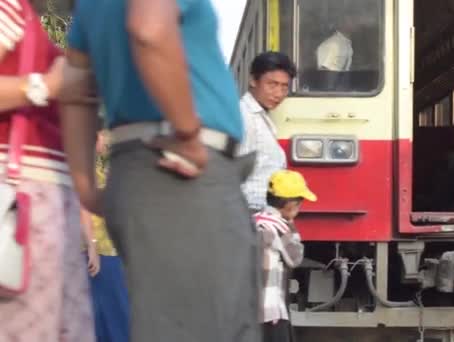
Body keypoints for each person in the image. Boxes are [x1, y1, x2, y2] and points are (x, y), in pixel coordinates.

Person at [61, 0, 260, 341]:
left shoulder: (90, 8)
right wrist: (188, 133)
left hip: (141, 170)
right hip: (179, 171)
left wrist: (85, 185)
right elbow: (149, 28)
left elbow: (76, 89)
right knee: (208, 328)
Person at [0, 0, 95, 340]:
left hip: (41, 204)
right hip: (21, 202)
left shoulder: (34, 20)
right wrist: (45, 86)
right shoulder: (10, 8)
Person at [254, 169, 317, 342]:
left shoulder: (253, 221)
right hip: (269, 311)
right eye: (300, 202)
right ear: (290, 204)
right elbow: (295, 257)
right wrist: (291, 226)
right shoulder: (279, 228)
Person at [80, 131, 129, 342]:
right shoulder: (85, 159)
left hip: (115, 249)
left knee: (117, 319)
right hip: (99, 251)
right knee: (111, 321)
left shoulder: (107, 161)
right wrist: (91, 244)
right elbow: (83, 203)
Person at [239, 51, 296, 212]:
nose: (279, 94)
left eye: (284, 87)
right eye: (272, 85)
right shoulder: (244, 117)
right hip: (250, 211)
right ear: (253, 80)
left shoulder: (261, 118)